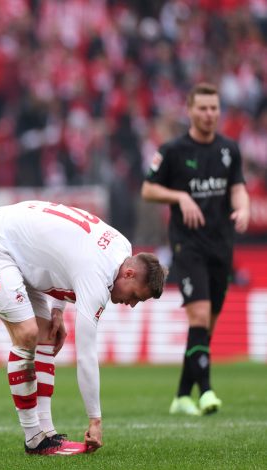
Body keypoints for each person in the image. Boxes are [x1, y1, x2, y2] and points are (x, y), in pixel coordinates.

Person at [0, 201, 167, 455]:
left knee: (46, 333)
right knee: (27, 334)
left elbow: (67, 254)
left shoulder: (121, 246)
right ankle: (33, 437)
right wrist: (95, 420)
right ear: (128, 274)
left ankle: (46, 433)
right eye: (136, 295)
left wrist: (57, 309)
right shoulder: (97, 275)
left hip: (18, 248)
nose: (132, 304)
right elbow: (86, 355)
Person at [141, 82, 250, 416]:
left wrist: (243, 207)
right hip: (188, 246)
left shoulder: (229, 149)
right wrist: (180, 196)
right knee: (199, 316)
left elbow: (238, 187)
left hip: (221, 246)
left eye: (214, 108)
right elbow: (148, 189)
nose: (209, 114)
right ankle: (206, 392)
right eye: (202, 108)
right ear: (189, 110)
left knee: (206, 327)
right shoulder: (173, 150)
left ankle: (181, 396)